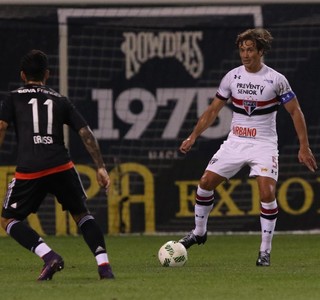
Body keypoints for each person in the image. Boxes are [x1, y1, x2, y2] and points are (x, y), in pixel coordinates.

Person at [178, 28, 318, 266]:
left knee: (266, 193)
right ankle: (199, 232)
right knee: (205, 183)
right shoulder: (232, 77)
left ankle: (264, 251)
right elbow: (213, 110)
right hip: (236, 141)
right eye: (242, 50)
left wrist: (304, 147)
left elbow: (296, 112)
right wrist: (193, 136)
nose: (245, 54)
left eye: (250, 49)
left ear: (260, 51)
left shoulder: (276, 79)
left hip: (263, 144)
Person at [0, 49, 115, 280]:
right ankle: (104, 267)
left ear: (23, 75)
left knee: (8, 220)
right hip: (61, 166)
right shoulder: (60, 99)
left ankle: (49, 256)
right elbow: (85, 132)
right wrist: (100, 166)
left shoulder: (13, 97)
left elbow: (1, 127)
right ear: (48, 74)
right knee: (81, 214)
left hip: (30, 170)